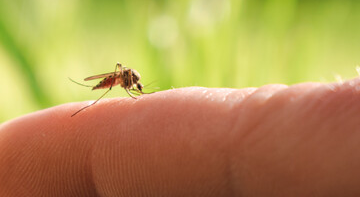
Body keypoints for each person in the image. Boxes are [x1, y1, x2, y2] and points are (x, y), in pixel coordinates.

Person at [1, 78, 360, 196]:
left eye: (132, 84)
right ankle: (91, 96)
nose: (134, 85)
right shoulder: (119, 78)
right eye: (134, 84)